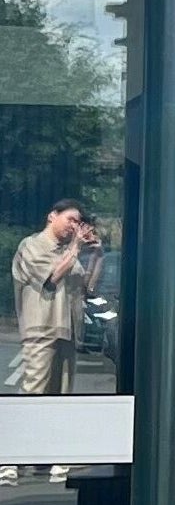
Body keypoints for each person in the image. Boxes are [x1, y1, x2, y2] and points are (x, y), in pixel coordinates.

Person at [4, 199, 103, 485]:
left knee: (60, 395)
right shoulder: (32, 245)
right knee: (33, 391)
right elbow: (50, 279)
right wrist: (76, 248)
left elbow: (87, 288)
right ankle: (10, 458)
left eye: (78, 222)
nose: (75, 226)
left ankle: (50, 456)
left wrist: (97, 256)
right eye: (71, 219)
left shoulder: (68, 252)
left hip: (67, 329)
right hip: (40, 327)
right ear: (52, 216)